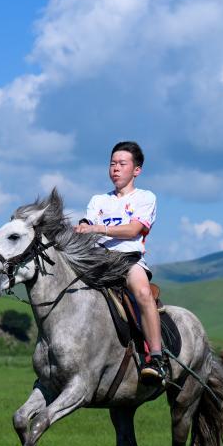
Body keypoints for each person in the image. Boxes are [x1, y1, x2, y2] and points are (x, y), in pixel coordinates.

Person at [75, 141, 167, 384]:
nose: (115, 168)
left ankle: (156, 357)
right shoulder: (98, 200)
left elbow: (134, 230)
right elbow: (86, 222)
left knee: (143, 293)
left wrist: (98, 228)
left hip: (127, 260)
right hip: (97, 261)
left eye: (122, 164)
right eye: (112, 163)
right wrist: (82, 227)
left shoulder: (145, 197)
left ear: (136, 170)